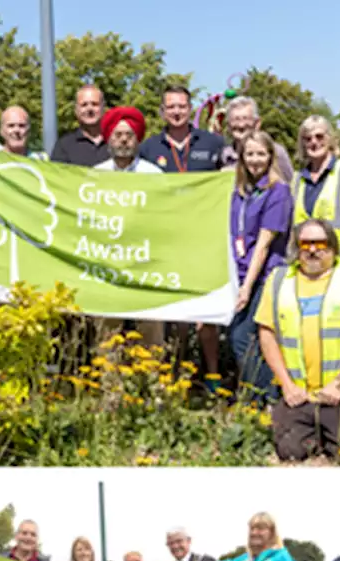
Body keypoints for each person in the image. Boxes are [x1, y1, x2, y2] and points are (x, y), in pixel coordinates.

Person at [256, 218, 340, 460]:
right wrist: (286, 385)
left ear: (333, 247)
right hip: (298, 395)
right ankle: (316, 433)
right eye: (305, 244)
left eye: (320, 244)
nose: (313, 250)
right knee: (290, 452)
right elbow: (267, 334)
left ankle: (336, 431)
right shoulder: (279, 280)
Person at [139, 86, 227, 377]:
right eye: (170, 107)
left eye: (181, 106)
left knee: (206, 315)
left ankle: (212, 375)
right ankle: (174, 375)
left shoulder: (214, 143)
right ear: (162, 112)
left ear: (190, 109)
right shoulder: (148, 148)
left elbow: (231, 181)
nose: (176, 112)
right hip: (166, 241)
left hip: (205, 239)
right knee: (173, 313)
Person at [227, 130, 293, 399]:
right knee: (247, 339)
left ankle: (268, 397)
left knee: (242, 337)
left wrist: (247, 287)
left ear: (270, 157)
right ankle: (257, 397)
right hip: (240, 273)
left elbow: (264, 244)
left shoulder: (278, 192)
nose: (255, 160)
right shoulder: (241, 191)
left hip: (262, 276)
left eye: (260, 154)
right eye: (249, 154)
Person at [93, 106, 164, 347]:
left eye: (129, 135)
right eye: (118, 134)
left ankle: (152, 382)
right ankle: (109, 383)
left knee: (150, 329)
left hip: (145, 262)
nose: (123, 139)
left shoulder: (154, 175)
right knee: (106, 332)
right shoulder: (95, 176)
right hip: (108, 263)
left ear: (137, 139)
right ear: (109, 139)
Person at [293, 116, 340, 262]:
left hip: (337, 263)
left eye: (319, 136)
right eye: (307, 138)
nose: (314, 142)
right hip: (305, 265)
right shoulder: (296, 180)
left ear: (330, 139)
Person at [220, 97, 294, 183]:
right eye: (235, 119)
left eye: (245, 118)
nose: (241, 125)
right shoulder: (223, 155)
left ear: (257, 123)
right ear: (228, 125)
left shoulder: (276, 152)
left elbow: (289, 185)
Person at [51, 86, 108, 166]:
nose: (89, 109)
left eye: (95, 104)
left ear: (103, 107)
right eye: (84, 105)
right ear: (76, 110)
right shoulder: (64, 146)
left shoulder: (116, 142)